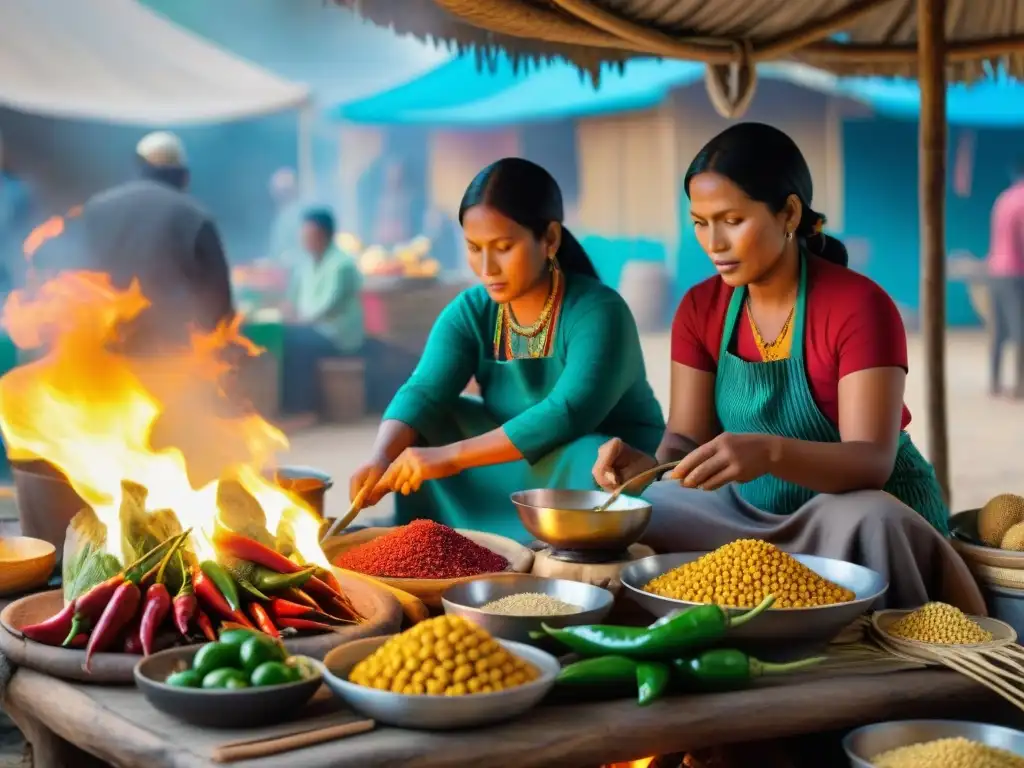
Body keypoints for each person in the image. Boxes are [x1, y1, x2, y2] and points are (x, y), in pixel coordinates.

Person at [592, 123, 985, 612]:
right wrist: (651, 468)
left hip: (854, 513)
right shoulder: (700, 309)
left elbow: (871, 461)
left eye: (732, 220)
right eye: (699, 221)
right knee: (659, 508)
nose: (712, 242)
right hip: (755, 519)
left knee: (874, 516)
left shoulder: (858, 305)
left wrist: (770, 452)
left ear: (790, 213)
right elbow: (685, 441)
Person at [349, 158, 665, 541]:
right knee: (426, 423)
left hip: (589, 467)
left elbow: (566, 413)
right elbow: (424, 391)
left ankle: (555, 544)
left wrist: (448, 458)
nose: (487, 267)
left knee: (593, 454)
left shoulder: (599, 312)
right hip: (511, 462)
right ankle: (440, 538)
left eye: (503, 247)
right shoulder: (471, 310)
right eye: (473, 247)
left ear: (549, 238)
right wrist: (380, 457)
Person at [71, 131, 235, 353]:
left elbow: (73, 273)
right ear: (184, 176)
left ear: (140, 167)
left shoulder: (95, 208)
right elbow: (219, 300)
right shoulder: (194, 216)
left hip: (103, 347)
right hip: (168, 354)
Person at [281, 207, 364, 415]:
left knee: (297, 342)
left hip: (337, 334)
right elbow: (292, 297)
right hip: (310, 327)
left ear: (324, 235)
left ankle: (306, 410)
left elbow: (329, 305)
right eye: (303, 235)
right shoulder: (305, 263)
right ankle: (289, 407)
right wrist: (287, 312)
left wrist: (300, 321)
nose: (304, 240)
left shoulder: (342, 264)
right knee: (282, 336)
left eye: (309, 235)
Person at [986, 159, 1024, 399]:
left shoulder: (1004, 198)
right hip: (1015, 273)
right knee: (1020, 330)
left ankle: (995, 383)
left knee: (999, 330)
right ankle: (1019, 386)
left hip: (996, 271)